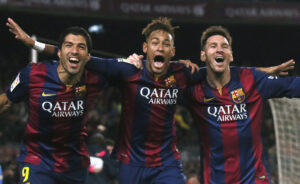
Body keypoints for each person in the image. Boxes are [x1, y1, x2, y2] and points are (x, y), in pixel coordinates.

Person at [6, 17, 295, 184]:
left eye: (166, 43)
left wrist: (263, 72)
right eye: (155, 42)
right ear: (145, 48)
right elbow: (78, 56)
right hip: (130, 162)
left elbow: (223, 72)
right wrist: (35, 45)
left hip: (167, 162)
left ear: (173, 51)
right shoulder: (127, 70)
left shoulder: (184, 73)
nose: (160, 47)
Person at [185, 26, 300, 184]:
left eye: (224, 46)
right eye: (213, 46)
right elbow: (159, 81)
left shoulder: (251, 80)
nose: (219, 50)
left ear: (231, 56)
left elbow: (291, 85)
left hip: (255, 179)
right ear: (203, 55)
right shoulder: (194, 90)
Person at [0, 26, 114, 184]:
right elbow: (5, 101)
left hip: (74, 165)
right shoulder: (33, 74)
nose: (74, 51)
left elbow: (123, 69)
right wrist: (35, 44)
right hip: (37, 160)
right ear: (59, 52)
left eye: (81, 47)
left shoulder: (95, 78)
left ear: (88, 56)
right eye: (68, 45)